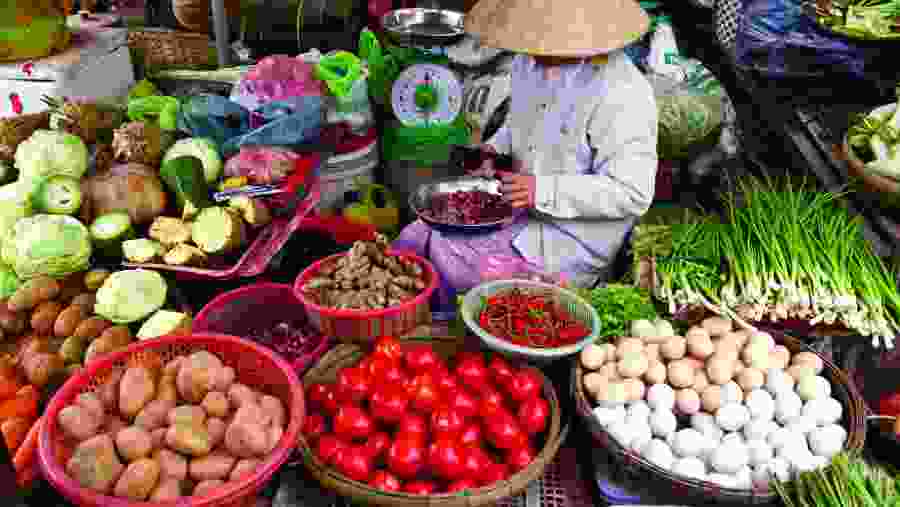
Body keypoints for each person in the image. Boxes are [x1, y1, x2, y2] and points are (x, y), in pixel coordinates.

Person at [394, 0, 658, 293]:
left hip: (571, 240)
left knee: (450, 262)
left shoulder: (621, 91)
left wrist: (541, 190)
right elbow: (518, 124)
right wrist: (493, 150)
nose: (535, 51)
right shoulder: (527, 63)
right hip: (520, 210)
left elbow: (633, 192)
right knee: (417, 236)